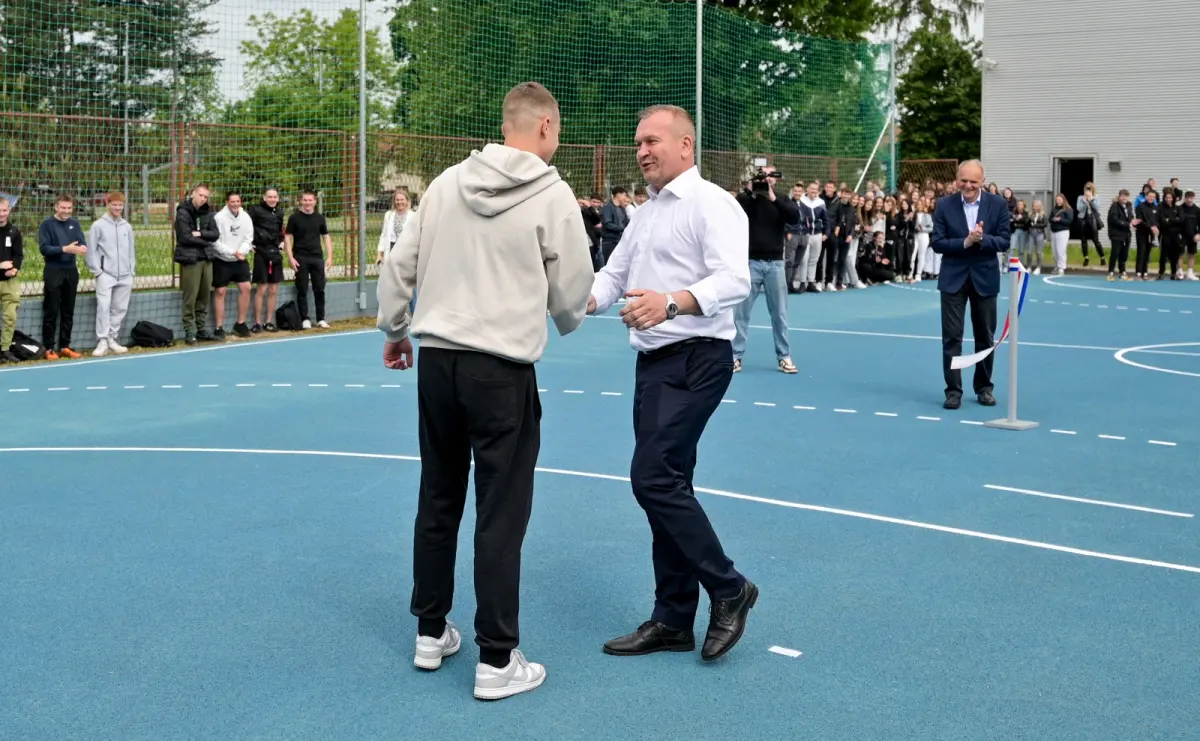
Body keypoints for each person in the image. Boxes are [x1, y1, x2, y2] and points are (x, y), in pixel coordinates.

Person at [376, 81, 593, 701]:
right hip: (500, 367)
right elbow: (571, 294)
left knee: (438, 495)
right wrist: (566, 313)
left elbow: (400, 265)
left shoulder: (446, 183)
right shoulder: (553, 194)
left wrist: (395, 329)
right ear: (547, 128)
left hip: (438, 360)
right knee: (501, 510)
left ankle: (429, 629)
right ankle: (497, 657)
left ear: (506, 124)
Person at [588, 104, 757, 664]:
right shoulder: (646, 212)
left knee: (653, 479)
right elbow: (614, 274)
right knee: (670, 482)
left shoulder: (714, 204)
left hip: (697, 359)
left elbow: (734, 278)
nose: (642, 151)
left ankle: (729, 587)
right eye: (638, 142)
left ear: (686, 145)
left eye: (653, 140)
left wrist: (672, 304)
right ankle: (672, 618)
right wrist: (578, 299)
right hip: (654, 364)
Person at [930, 160, 1011, 410]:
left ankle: (984, 387)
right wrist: (964, 242)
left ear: (982, 181)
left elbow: (1004, 241)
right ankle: (953, 390)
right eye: (963, 180)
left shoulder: (998, 204)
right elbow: (938, 242)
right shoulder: (944, 205)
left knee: (985, 337)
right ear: (957, 179)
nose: (968, 185)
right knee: (952, 338)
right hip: (953, 279)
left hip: (985, 279)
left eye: (973, 181)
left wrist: (981, 239)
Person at [732, 164, 799, 373]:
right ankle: (735, 356)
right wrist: (751, 192)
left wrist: (772, 197)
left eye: (770, 176)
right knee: (741, 313)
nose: (766, 180)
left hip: (775, 264)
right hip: (751, 262)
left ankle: (784, 356)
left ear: (776, 179)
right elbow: (733, 211)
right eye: (763, 176)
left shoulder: (780, 199)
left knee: (779, 313)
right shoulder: (746, 200)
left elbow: (794, 218)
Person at [85, 191, 135, 355]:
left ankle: (112, 338)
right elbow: (91, 250)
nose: (117, 208)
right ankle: (102, 341)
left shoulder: (126, 226)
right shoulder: (98, 225)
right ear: (108, 204)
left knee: (119, 308)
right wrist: (98, 272)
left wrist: (131, 270)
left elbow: (131, 250)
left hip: (125, 275)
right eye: (114, 204)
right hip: (106, 274)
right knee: (104, 307)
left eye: (120, 205)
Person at [38, 194, 87, 359]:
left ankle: (65, 346)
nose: (66, 211)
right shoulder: (46, 225)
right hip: (53, 271)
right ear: (56, 207)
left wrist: (82, 248)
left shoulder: (75, 224)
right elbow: (45, 249)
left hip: (71, 271)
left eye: (69, 208)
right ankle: (48, 348)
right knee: (51, 310)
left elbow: (81, 242)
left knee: (68, 310)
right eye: (63, 208)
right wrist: (64, 249)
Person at [173, 183, 218, 345]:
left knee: (204, 295)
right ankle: (190, 331)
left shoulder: (209, 213)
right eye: (201, 195)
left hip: (206, 258)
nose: (203, 199)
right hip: (191, 259)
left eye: (206, 197)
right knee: (190, 297)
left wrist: (201, 234)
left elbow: (215, 234)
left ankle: (201, 329)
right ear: (193, 194)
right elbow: (185, 237)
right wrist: (205, 241)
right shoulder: (183, 212)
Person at [285, 190, 333, 329]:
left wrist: (329, 256)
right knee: (302, 289)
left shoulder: (319, 218)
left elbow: (326, 237)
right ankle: (305, 318)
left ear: (315, 201)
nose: (307, 203)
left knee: (320, 288)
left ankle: (321, 318)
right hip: (300, 257)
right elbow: (288, 238)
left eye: (310, 200)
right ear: (301, 201)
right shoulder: (294, 218)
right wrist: (291, 258)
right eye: (305, 200)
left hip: (317, 258)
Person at [212, 191, 255, 338]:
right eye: (232, 202)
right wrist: (232, 252)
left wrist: (241, 252)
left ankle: (240, 323)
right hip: (222, 260)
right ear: (227, 202)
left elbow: (249, 238)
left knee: (246, 287)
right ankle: (218, 327)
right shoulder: (218, 218)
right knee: (220, 292)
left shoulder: (245, 217)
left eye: (238, 201)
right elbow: (215, 242)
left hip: (240, 260)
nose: (236, 204)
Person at [248, 188, 285, 332]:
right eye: (270, 197)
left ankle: (268, 322)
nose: (272, 199)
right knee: (262, 288)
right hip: (261, 252)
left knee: (273, 289)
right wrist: (250, 243)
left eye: (275, 197)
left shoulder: (280, 212)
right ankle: (257, 322)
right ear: (264, 198)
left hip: (275, 253)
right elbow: (247, 227)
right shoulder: (255, 211)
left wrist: (281, 241)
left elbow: (281, 230)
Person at [0, 197, 23, 363]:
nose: (1, 214)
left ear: (9, 211)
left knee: (10, 317)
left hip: (10, 282)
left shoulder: (14, 231)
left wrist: (14, 269)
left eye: (4, 210)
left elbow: (18, 255)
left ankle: (5, 349)